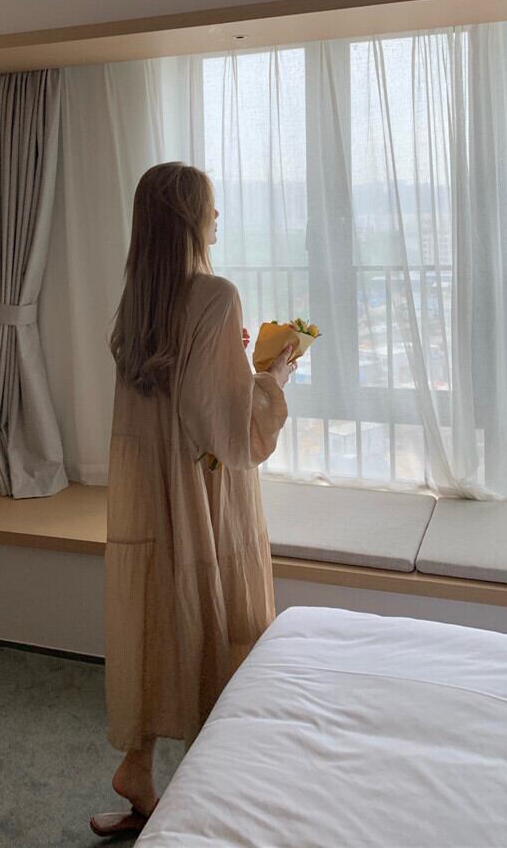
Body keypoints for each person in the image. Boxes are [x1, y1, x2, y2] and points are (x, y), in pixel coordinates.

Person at [89, 162, 295, 838]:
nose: (217, 218)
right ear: (188, 218)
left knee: (159, 615)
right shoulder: (216, 294)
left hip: (152, 491)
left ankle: (138, 767)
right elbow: (225, 432)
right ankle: (217, 796)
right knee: (222, 621)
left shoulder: (139, 301)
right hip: (204, 492)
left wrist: (228, 361)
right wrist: (272, 375)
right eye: (210, 207)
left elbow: (178, 399)